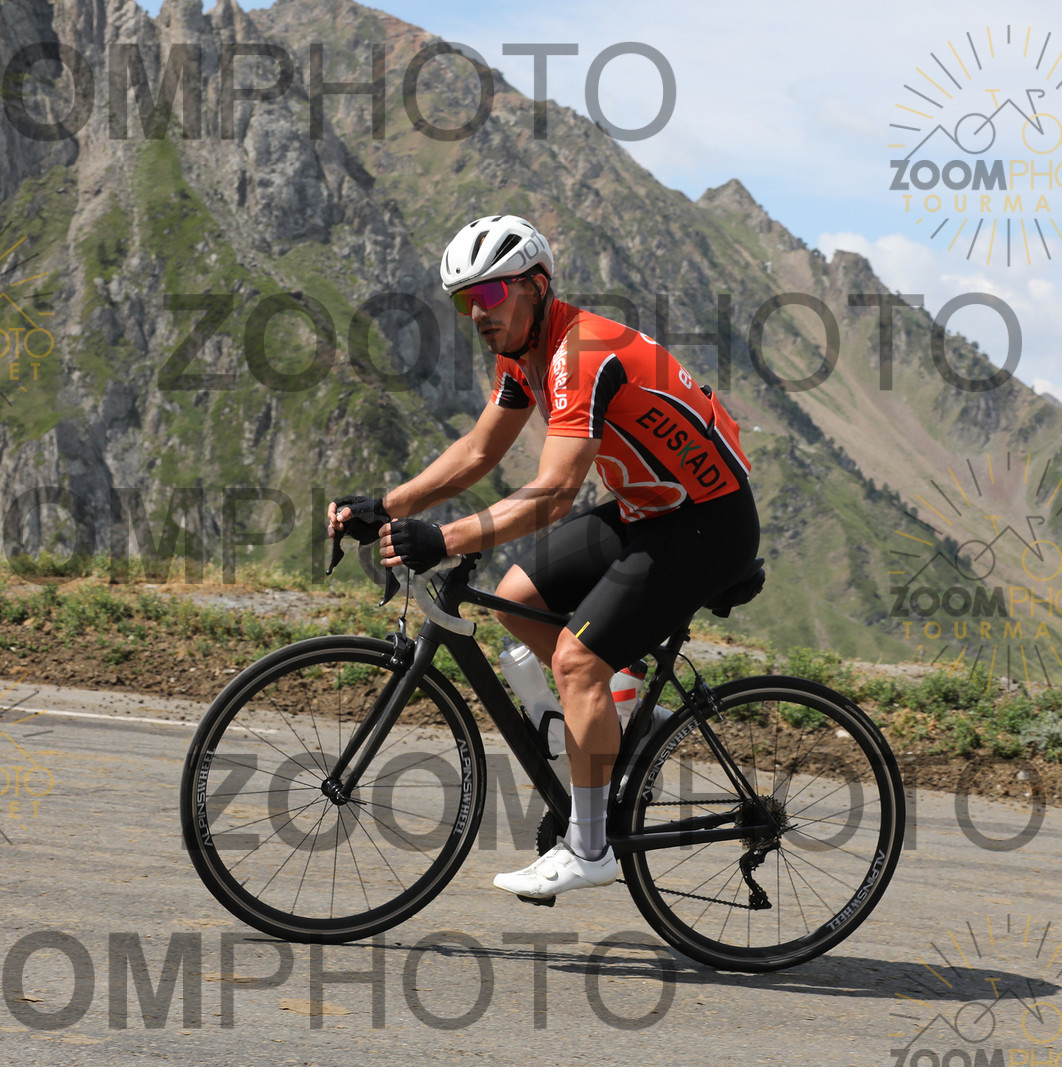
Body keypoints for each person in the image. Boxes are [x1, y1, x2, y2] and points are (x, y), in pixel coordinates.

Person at [326, 215, 760, 900]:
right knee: (517, 598)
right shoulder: (523, 353)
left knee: (577, 661)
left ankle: (590, 848)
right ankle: (625, 725)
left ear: (534, 285)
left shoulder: (581, 353)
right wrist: (389, 504)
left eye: (489, 295)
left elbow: (556, 491)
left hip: (708, 522)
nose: (477, 313)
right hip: (648, 508)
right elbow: (479, 451)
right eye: (464, 301)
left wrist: (445, 538)